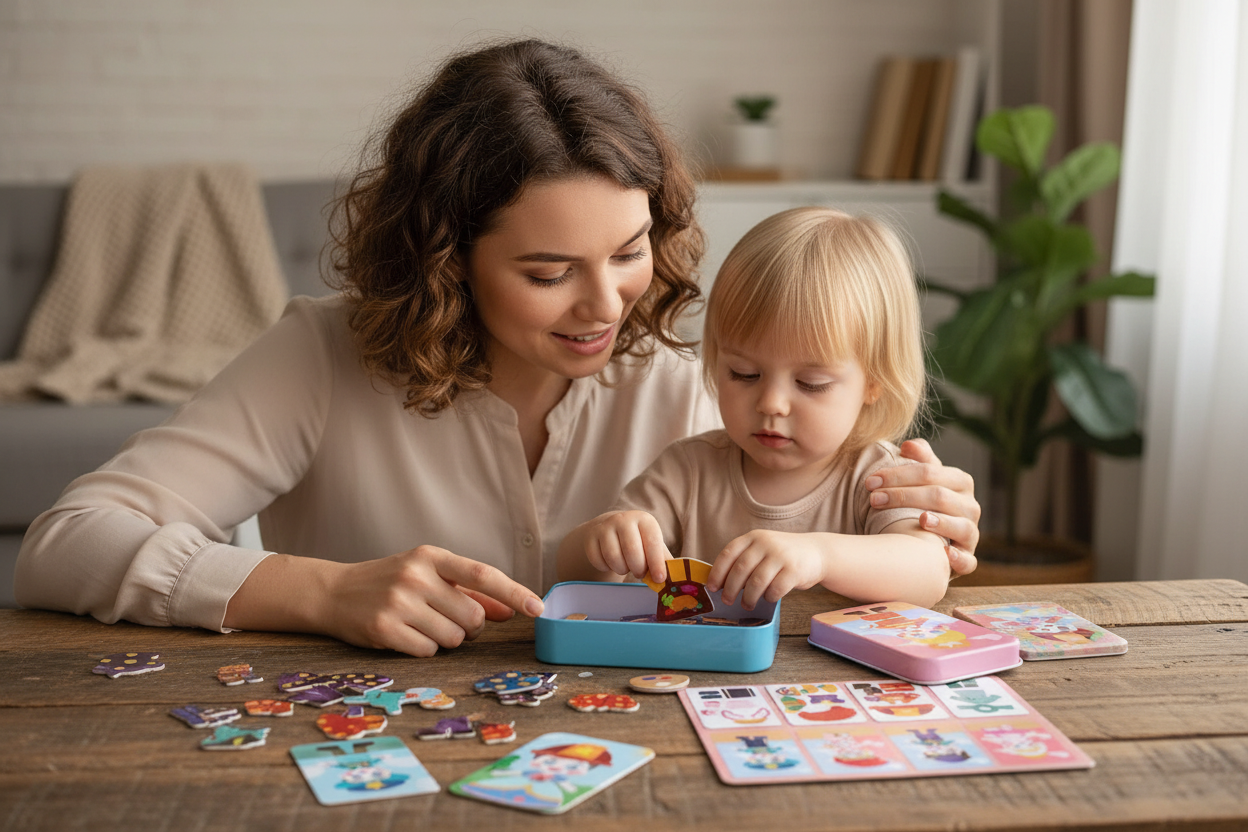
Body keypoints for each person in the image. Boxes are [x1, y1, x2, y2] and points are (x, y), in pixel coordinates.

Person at [14, 39, 980, 657]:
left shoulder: (693, 388)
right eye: (550, 271)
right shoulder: (317, 357)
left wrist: (919, 522)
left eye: (631, 253)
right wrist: (323, 592)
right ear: (446, 259)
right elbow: (63, 546)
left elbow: (827, 533)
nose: (607, 307)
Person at [559, 207, 950, 609]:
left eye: (810, 384)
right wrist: (601, 542)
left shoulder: (878, 477)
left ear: (873, 383)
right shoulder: (688, 471)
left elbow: (928, 572)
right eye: (744, 374)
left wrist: (819, 556)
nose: (771, 404)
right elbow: (576, 577)